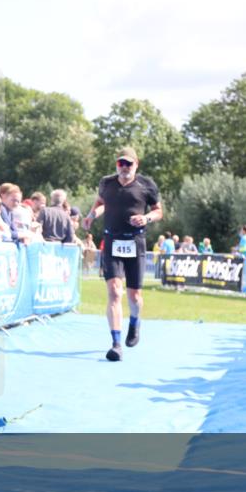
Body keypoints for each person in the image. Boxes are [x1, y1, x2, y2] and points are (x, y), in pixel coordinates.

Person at [82, 146, 162, 362]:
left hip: (135, 242)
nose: (124, 167)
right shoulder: (106, 182)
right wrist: (91, 215)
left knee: (134, 295)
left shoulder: (147, 185)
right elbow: (101, 203)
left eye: (129, 164)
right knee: (115, 292)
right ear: (116, 165)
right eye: (121, 163)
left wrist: (146, 218)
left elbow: (158, 211)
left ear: (137, 165)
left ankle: (135, 322)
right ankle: (116, 343)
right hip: (112, 241)